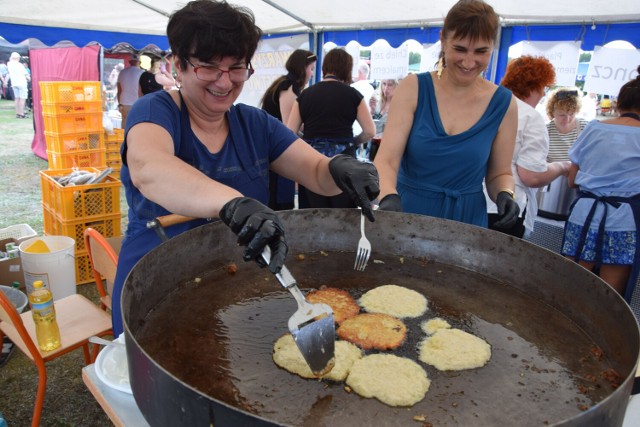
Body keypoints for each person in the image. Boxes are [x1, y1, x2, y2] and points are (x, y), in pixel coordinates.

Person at [111, 0, 379, 336]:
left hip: (232, 288)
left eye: (237, 68)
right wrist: (230, 202)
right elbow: (150, 168)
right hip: (157, 289)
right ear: (178, 65)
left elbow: (316, 171)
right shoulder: (156, 111)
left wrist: (340, 168)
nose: (224, 83)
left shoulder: (255, 124)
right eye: (208, 67)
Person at [373, 0, 519, 229]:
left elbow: (499, 173)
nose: (469, 62)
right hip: (408, 212)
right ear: (443, 40)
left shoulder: (504, 103)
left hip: (467, 221)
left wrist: (505, 194)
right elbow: (387, 160)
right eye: (460, 49)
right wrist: (388, 197)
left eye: (481, 51)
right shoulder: (414, 88)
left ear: (493, 46)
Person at [561, 65, 640, 302]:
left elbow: (573, 180)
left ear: (619, 102)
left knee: (569, 285)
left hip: (584, 212)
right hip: (622, 217)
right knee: (608, 297)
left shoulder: (594, 127)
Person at [485, 56, 571, 237]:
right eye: (545, 88)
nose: (543, 94)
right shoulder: (530, 117)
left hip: (472, 200)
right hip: (506, 206)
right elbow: (531, 175)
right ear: (536, 86)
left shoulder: (486, 105)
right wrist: (562, 166)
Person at [287, 48, 376, 210]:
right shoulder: (353, 95)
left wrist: (307, 140)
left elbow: (290, 131)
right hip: (344, 166)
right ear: (347, 69)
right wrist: (353, 142)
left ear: (325, 67)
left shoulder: (305, 95)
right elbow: (370, 131)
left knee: (313, 217)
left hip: (311, 164)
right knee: (343, 219)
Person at [260, 49, 317, 211]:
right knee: (279, 200)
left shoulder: (284, 82)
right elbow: (288, 126)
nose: (311, 74)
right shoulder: (288, 86)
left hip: (272, 147)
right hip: (276, 149)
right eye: (311, 68)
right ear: (302, 67)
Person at [545, 87, 589, 162]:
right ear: (552, 112)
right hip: (552, 172)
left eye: (571, 114)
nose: (567, 120)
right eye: (562, 115)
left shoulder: (585, 127)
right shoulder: (545, 130)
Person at [116, 54, 144, 129]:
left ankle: (125, 140)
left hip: (124, 104)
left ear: (129, 62)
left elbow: (119, 90)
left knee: (124, 128)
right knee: (136, 127)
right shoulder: (142, 73)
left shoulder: (122, 72)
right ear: (139, 62)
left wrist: (120, 104)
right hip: (137, 104)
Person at [7, 52, 30, 118]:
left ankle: (18, 113)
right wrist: (29, 78)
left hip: (14, 83)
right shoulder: (19, 65)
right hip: (21, 83)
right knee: (23, 98)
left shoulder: (9, 64)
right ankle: (22, 114)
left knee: (17, 98)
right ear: (17, 58)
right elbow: (25, 74)